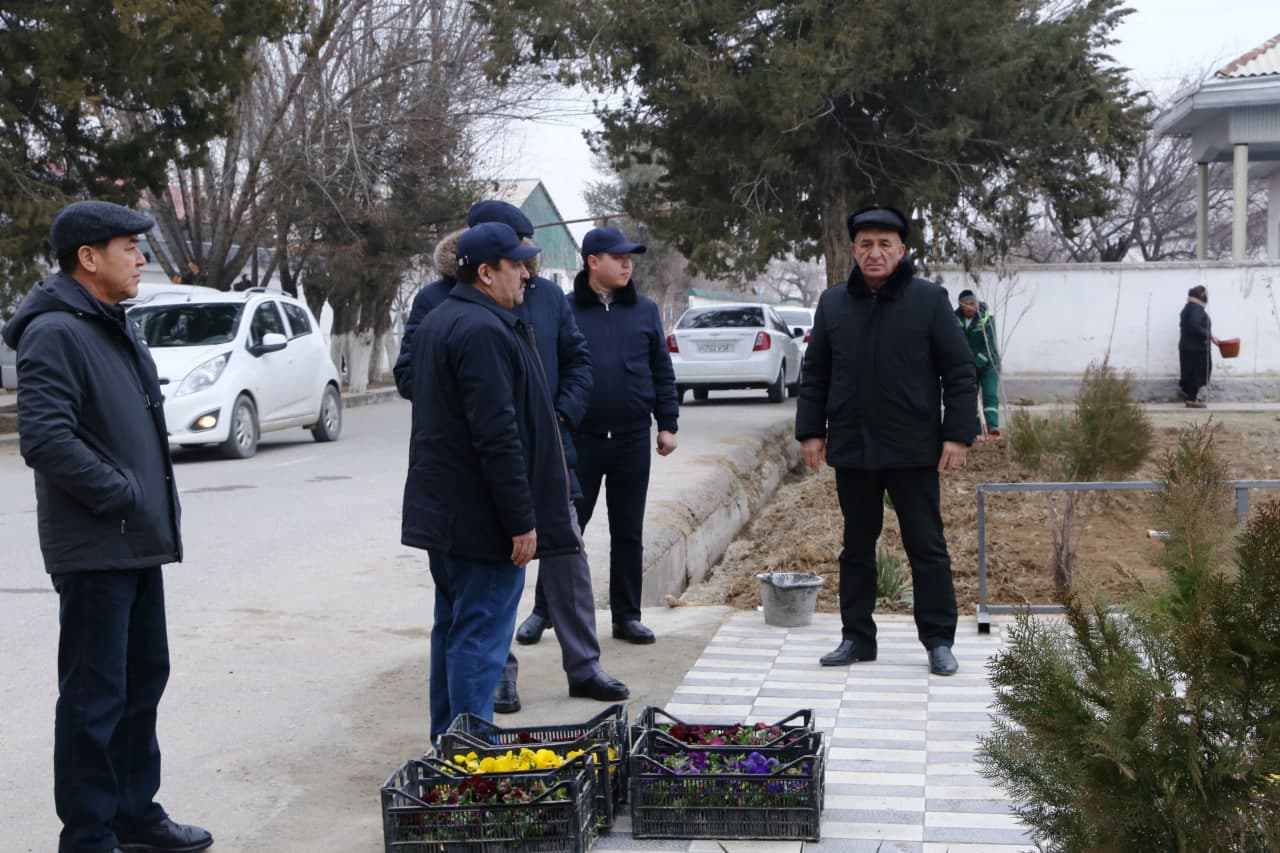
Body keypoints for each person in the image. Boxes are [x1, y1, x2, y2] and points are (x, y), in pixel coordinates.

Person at [1, 201, 212, 853]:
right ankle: (89, 834)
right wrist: (121, 492)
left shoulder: (107, 323)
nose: (142, 257)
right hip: (96, 545)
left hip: (132, 539)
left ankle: (133, 812)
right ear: (88, 257)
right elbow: (45, 438)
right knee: (95, 697)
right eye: (129, 246)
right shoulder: (56, 331)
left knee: (143, 678)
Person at [394, 200, 627, 714]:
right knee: (479, 633)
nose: (526, 273)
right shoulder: (482, 330)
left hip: (450, 511)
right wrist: (522, 521)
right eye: (515, 265)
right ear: (485, 272)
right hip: (483, 517)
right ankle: (470, 755)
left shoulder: (447, 318)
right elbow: (497, 437)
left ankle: (450, 745)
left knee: (453, 628)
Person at [795, 205, 977, 677]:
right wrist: (812, 432)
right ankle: (856, 637)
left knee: (927, 545)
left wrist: (957, 434)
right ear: (853, 250)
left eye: (885, 244)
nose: (875, 253)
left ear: (901, 249)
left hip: (913, 447)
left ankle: (938, 640)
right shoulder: (834, 303)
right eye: (866, 245)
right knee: (856, 545)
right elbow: (815, 373)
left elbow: (959, 371)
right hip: (854, 448)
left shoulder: (928, 300)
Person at [515, 226, 679, 647]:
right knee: (564, 530)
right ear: (592, 262)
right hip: (579, 440)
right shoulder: (565, 309)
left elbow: (661, 369)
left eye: (630, 258)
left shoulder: (644, 310)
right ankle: (542, 611)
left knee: (629, 532)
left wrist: (667, 422)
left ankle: (627, 616)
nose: (628, 264)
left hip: (630, 440)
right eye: (618, 257)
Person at [955, 289, 1001, 438]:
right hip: (968, 365)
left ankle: (992, 427)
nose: (970, 307)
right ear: (961, 305)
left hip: (989, 364)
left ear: (977, 302)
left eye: (972, 303)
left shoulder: (987, 318)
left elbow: (989, 346)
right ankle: (976, 432)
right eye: (966, 304)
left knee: (989, 395)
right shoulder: (954, 319)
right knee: (971, 398)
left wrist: (976, 363)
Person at [1178, 285, 1218, 409]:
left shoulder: (1189, 307)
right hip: (1196, 348)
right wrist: (1210, 335)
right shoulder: (1196, 309)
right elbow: (1194, 326)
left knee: (1190, 372)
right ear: (1202, 295)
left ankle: (1191, 396)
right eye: (1206, 294)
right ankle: (1192, 399)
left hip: (1188, 347)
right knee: (1197, 373)